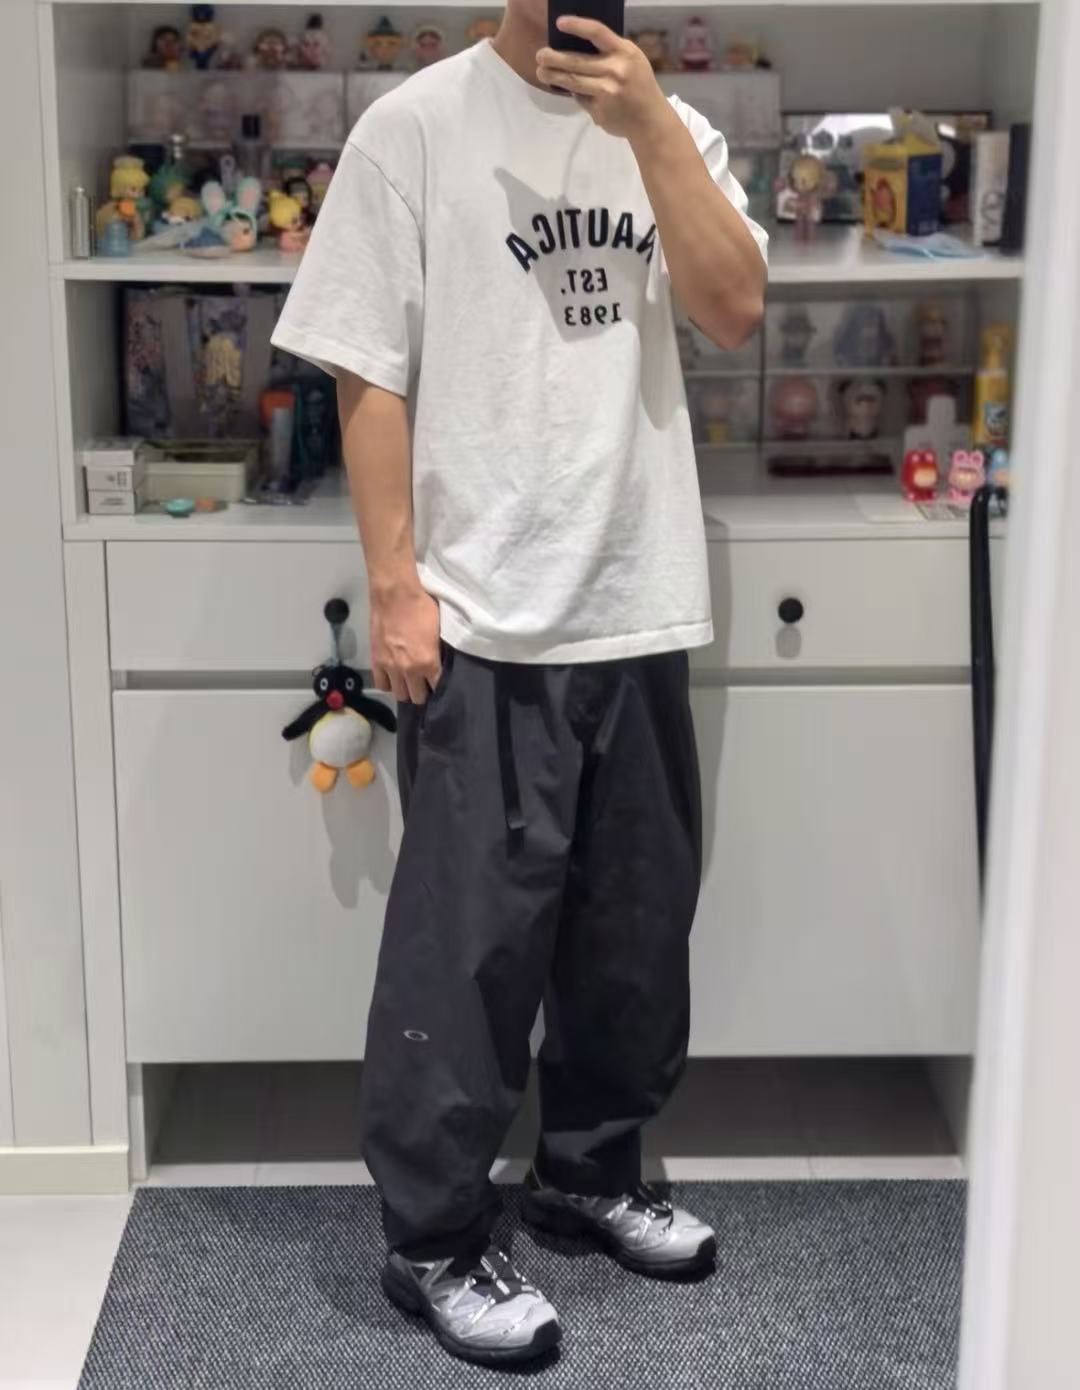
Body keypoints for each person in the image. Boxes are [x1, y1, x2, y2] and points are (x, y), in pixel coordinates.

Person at [271, 0, 767, 1368]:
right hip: (487, 614)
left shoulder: (674, 127)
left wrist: (650, 124)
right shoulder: (414, 129)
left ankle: (589, 1174)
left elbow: (732, 306)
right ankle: (433, 1238)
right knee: (470, 951)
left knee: (634, 928)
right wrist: (395, 584)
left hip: (639, 597)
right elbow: (367, 373)